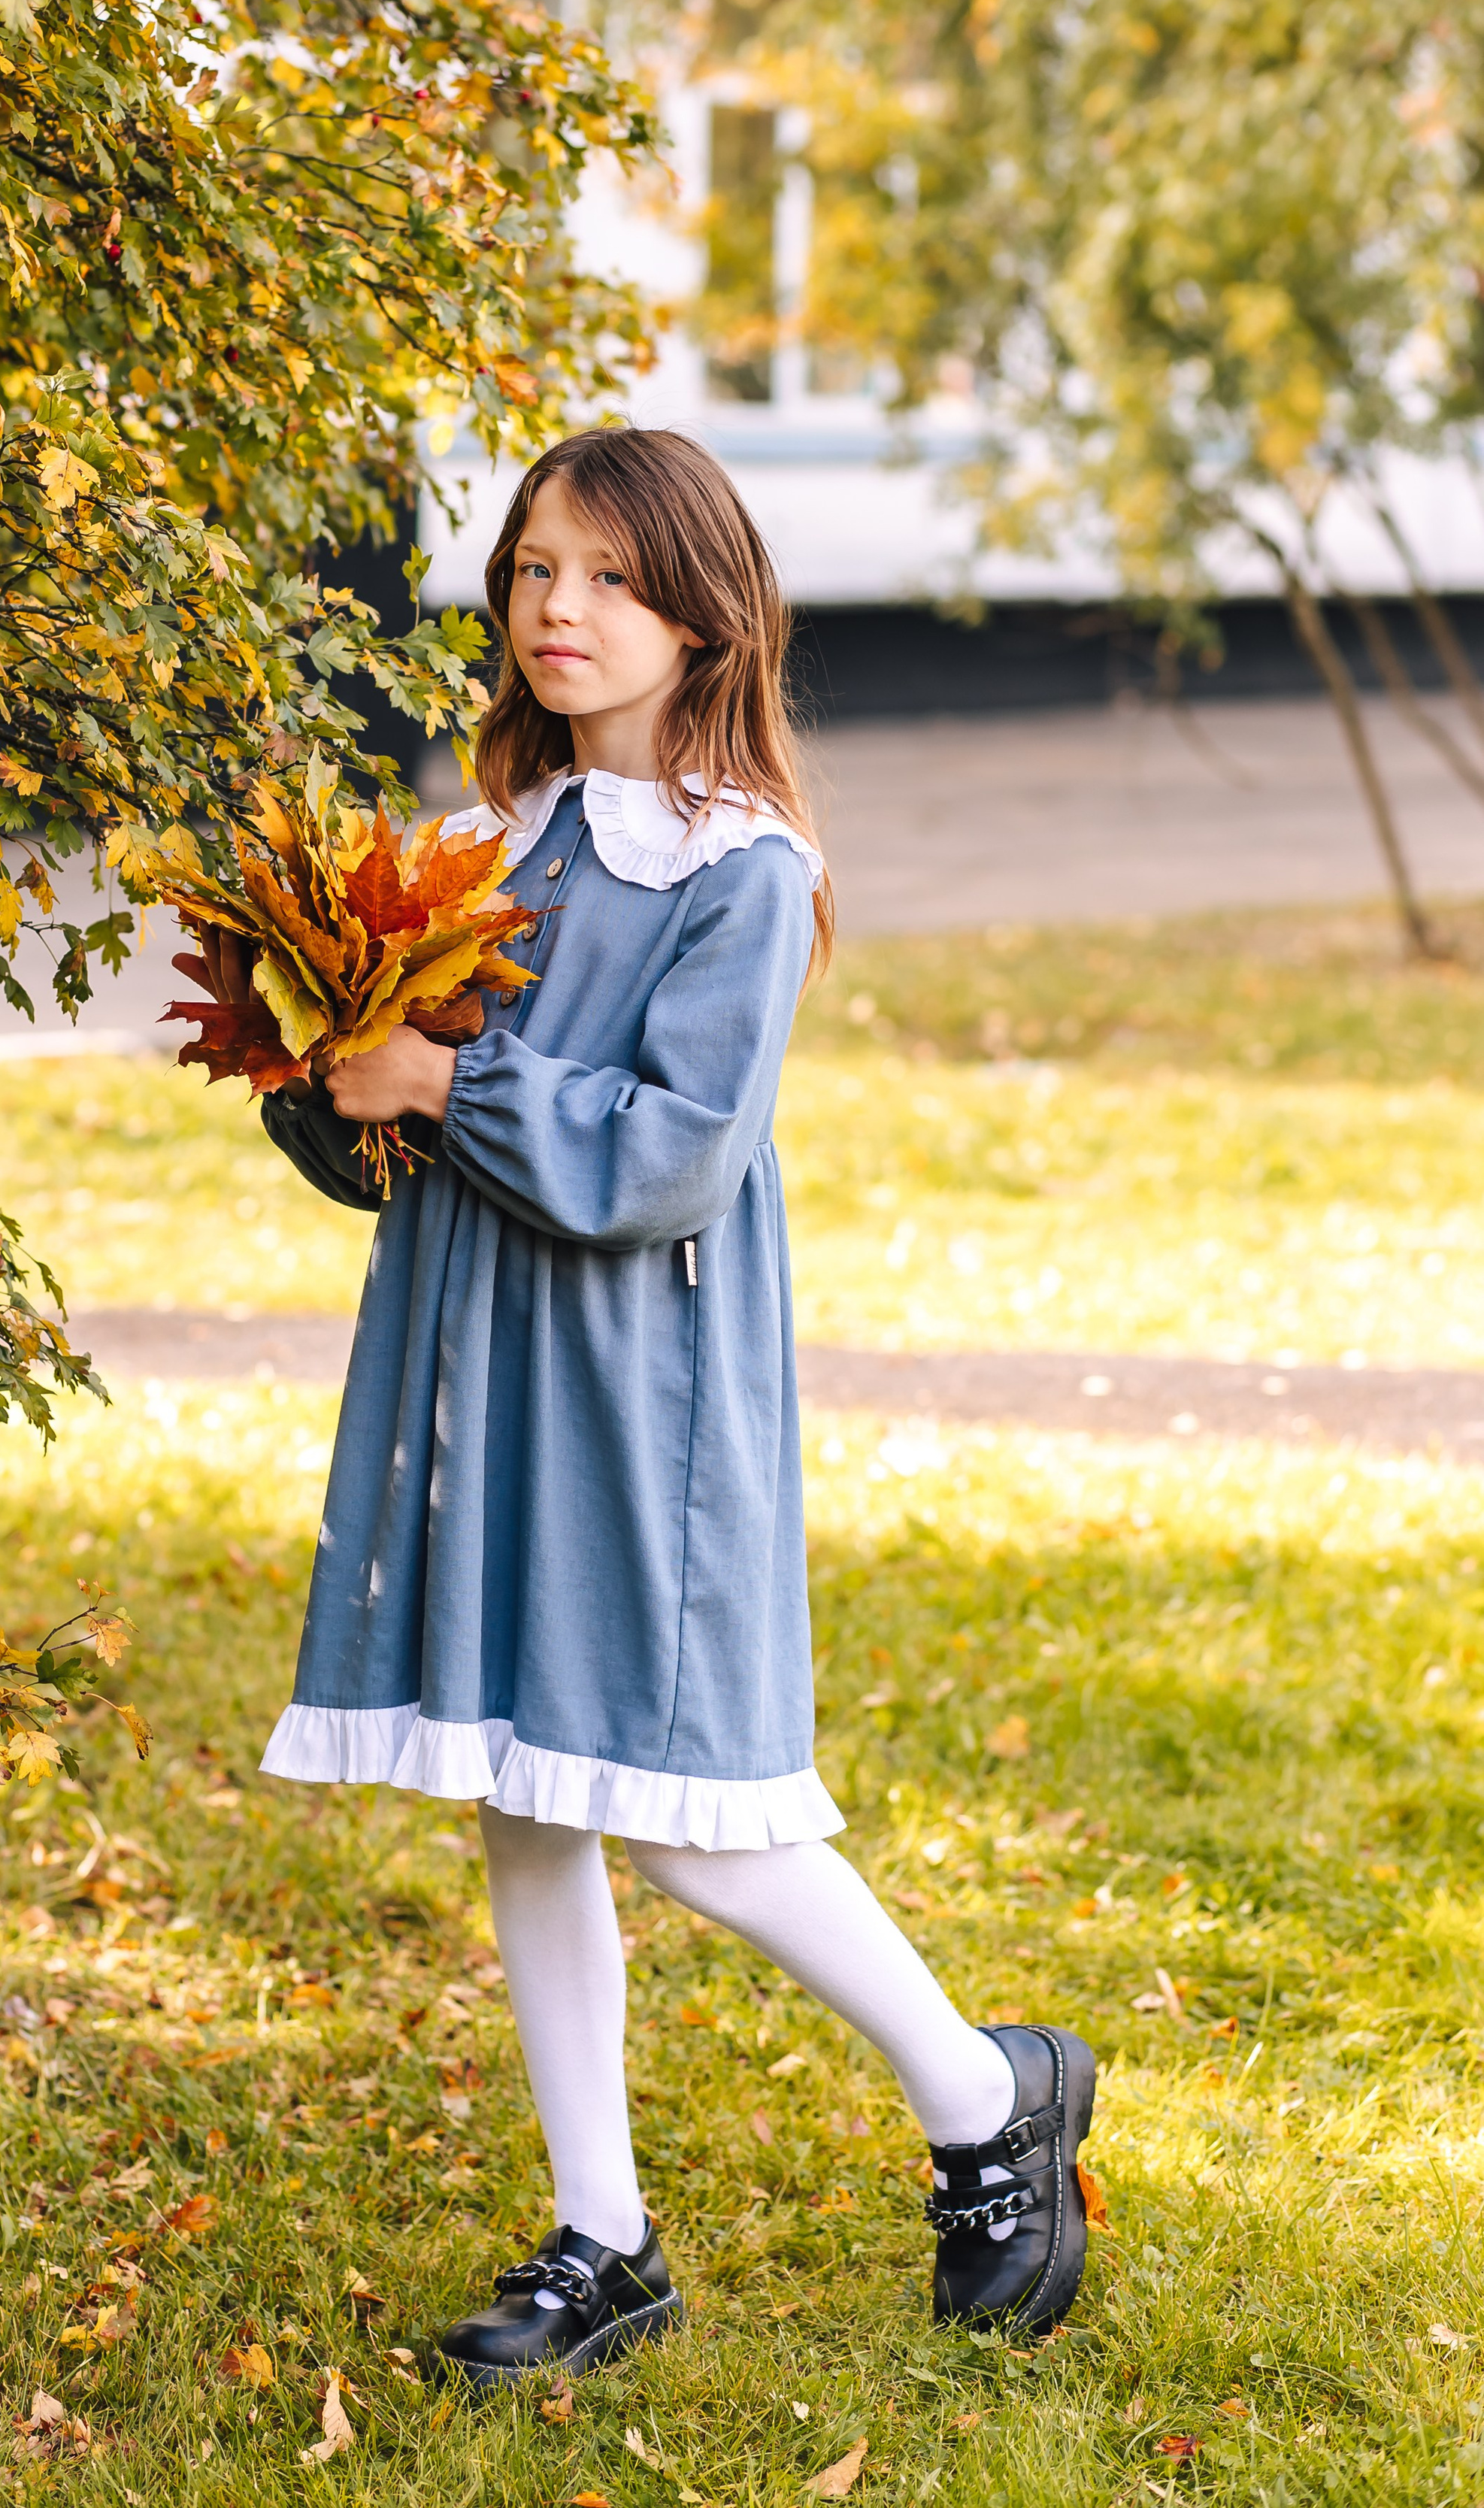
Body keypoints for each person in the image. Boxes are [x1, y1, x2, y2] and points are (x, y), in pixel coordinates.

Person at [187, 426, 1095, 2385]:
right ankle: (604, 2236)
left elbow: (677, 1153)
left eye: (604, 575)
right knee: (528, 1788)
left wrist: (442, 1087)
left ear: (702, 610)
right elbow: (394, 1151)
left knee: (694, 1815)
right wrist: (325, 1070)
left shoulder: (739, 866)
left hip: (634, 1392)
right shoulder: (486, 841)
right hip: (483, 1366)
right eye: (532, 572)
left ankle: (984, 2095)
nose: (559, 610)